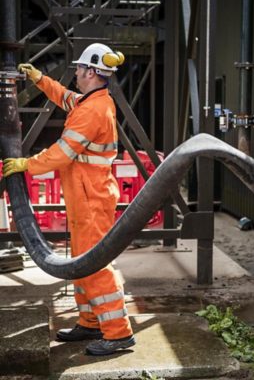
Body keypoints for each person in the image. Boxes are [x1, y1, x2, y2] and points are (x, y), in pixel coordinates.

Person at [3, 43, 134, 356]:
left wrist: (26, 164)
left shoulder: (92, 110)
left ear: (90, 72)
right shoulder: (93, 100)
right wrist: (39, 79)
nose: (75, 71)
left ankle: (118, 333)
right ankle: (90, 320)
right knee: (82, 262)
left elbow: (62, 153)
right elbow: (65, 97)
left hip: (91, 198)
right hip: (87, 195)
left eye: (79, 68)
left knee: (96, 265)